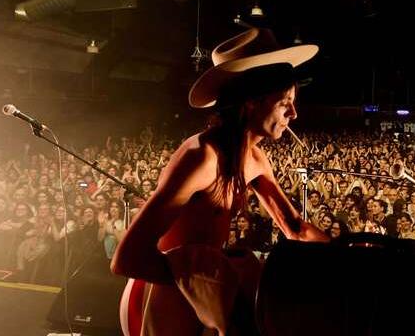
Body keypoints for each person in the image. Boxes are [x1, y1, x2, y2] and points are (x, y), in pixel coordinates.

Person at [112, 28, 329, 336]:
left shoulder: (254, 158)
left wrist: (347, 255)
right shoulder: (202, 157)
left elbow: (295, 228)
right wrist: (198, 278)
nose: (293, 114)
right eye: (285, 102)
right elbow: (127, 259)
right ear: (251, 102)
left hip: (201, 296)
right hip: (161, 296)